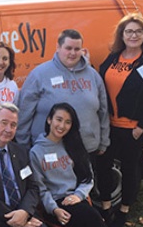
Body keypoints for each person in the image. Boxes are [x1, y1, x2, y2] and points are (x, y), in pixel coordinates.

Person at [29, 102, 143, 227]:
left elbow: (88, 177)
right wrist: (54, 209)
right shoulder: (36, 152)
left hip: (76, 200)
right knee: (94, 220)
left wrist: (78, 195)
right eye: (58, 119)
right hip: (55, 206)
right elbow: (40, 189)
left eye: (67, 122)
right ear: (49, 120)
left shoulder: (73, 144)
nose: (62, 125)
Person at [97, 13, 143, 227]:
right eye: (129, 31)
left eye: (138, 31)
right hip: (109, 126)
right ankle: (106, 207)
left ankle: (124, 210)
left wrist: (142, 126)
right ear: (122, 35)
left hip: (133, 129)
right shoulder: (113, 58)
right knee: (103, 166)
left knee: (129, 169)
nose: (133, 35)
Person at [16, 29, 109, 165]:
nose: (73, 53)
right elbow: (24, 114)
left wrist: (104, 141)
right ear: (58, 47)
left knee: (86, 179)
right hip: (49, 152)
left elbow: (103, 111)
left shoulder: (93, 75)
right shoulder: (39, 75)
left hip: (86, 148)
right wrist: (23, 146)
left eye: (77, 49)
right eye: (68, 48)